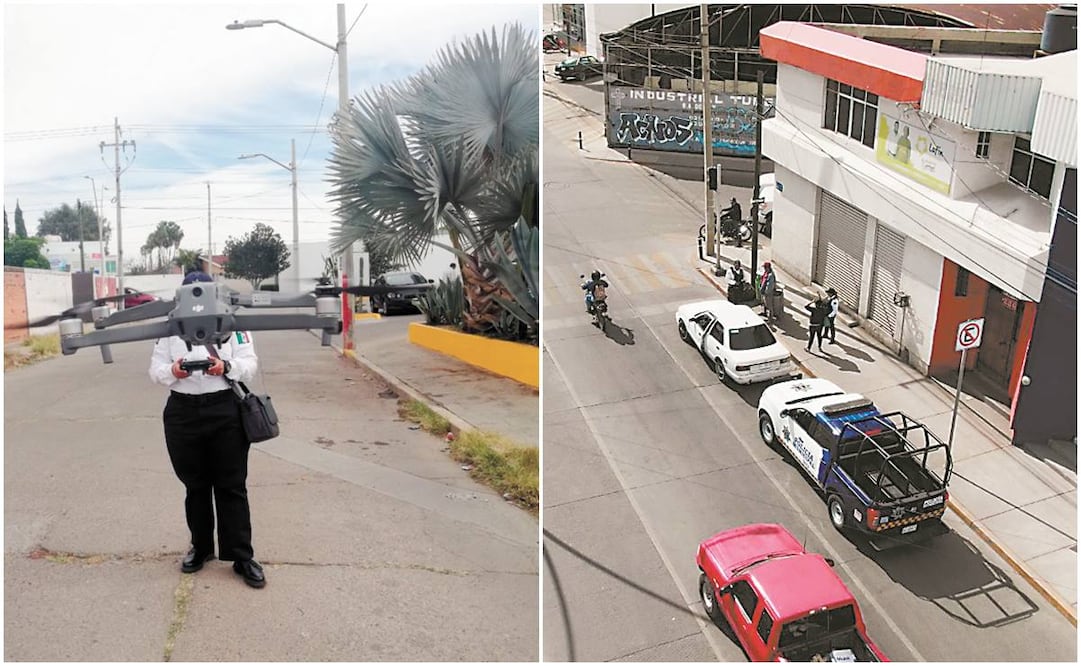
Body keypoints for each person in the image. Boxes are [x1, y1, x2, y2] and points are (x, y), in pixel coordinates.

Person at [149, 270, 266, 589]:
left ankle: (242, 555)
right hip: (182, 411)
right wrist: (173, 371)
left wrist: (226, 367)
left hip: (224, 407)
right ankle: (200, 548)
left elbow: (250, 363)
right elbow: (155, 370)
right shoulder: (169, 328)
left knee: (231, 485)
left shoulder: (232, 324)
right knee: (195, 486)